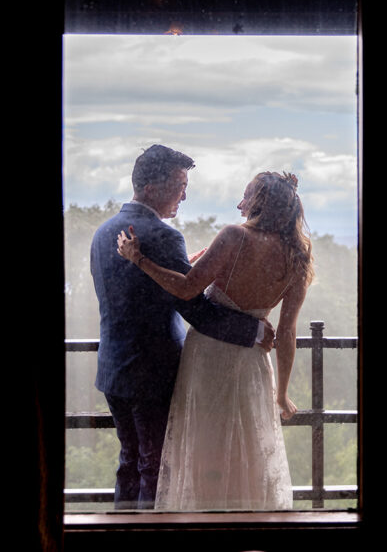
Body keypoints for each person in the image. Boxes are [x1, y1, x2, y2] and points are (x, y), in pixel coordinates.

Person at [116, 171, 314, 511]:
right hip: (253, 364)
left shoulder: (234, 237)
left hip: (209, 358)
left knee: (206, 447)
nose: (240, 204)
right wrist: (281, 393)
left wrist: (140, 259)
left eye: (247, 196)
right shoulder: (298, 257)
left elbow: (186, 289)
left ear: (261, 203)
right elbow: (287, 333)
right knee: (246, 451)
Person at [90, 145, 273, 510]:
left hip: (113, 371)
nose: (185, 195)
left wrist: (187, 266)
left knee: (129, 462)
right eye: (179, 185)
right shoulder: (164, 237)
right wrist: (254, 331)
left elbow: (135, 294)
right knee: (153, 468)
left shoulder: (104, 231)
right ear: (152, 189)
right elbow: (197, 311)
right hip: (153, 373)